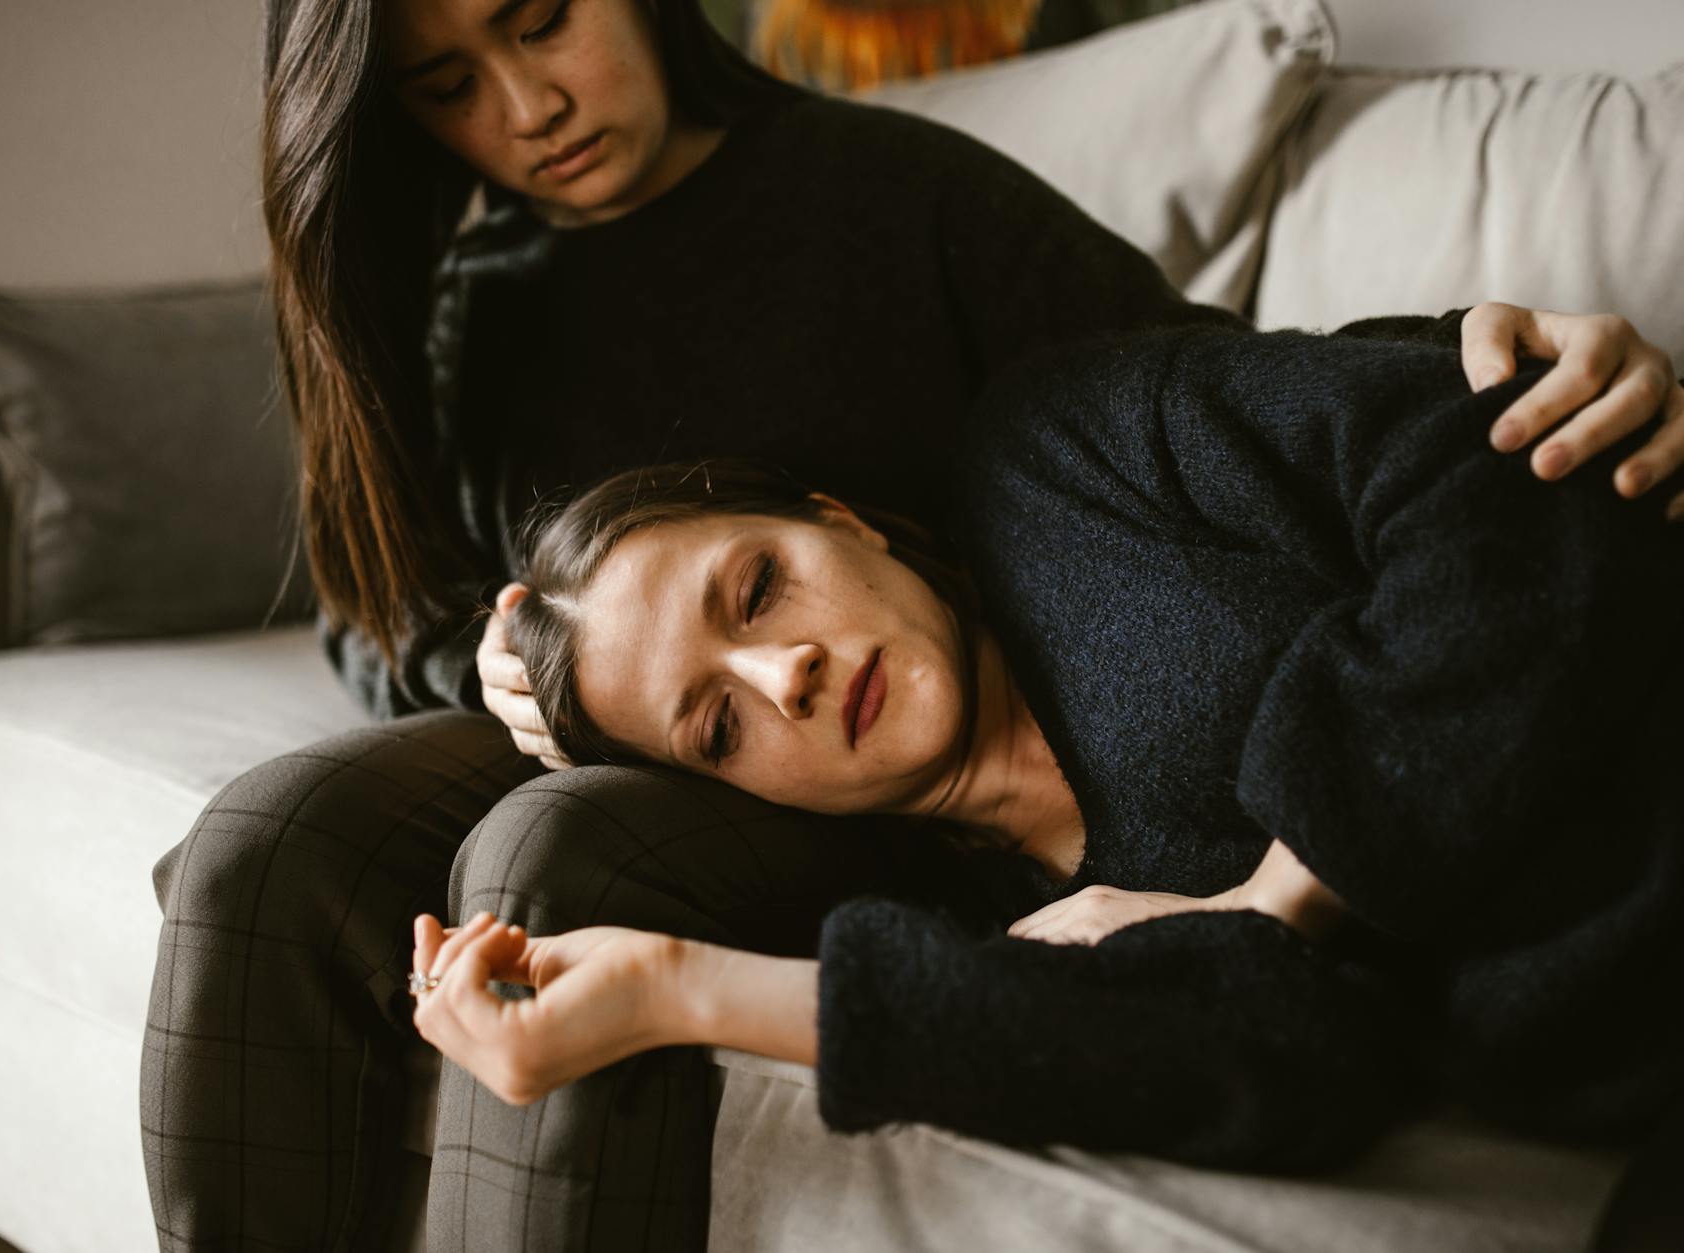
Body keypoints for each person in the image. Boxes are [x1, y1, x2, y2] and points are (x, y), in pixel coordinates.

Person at [139, 0, 1684, 1247]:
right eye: (447, 86)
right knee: (265, 841)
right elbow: (384, 606)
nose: (525, 106)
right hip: (865, 799)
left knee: (552, 867)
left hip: (999, 729)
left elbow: (1266, 412)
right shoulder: (473, 310)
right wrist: (487, 666)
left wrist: (1472, 361)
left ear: (842, 516)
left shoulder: (930, 262)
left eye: (541, 23)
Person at [407, 321, 1683, 1199]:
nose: (777, 672)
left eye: (756, 588)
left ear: (837, 521)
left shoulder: (1055, 458)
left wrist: (1280, 893)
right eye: (717, 727)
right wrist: (670, 988)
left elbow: (1497, 464)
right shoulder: (989, 923)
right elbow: (1297, 1067)